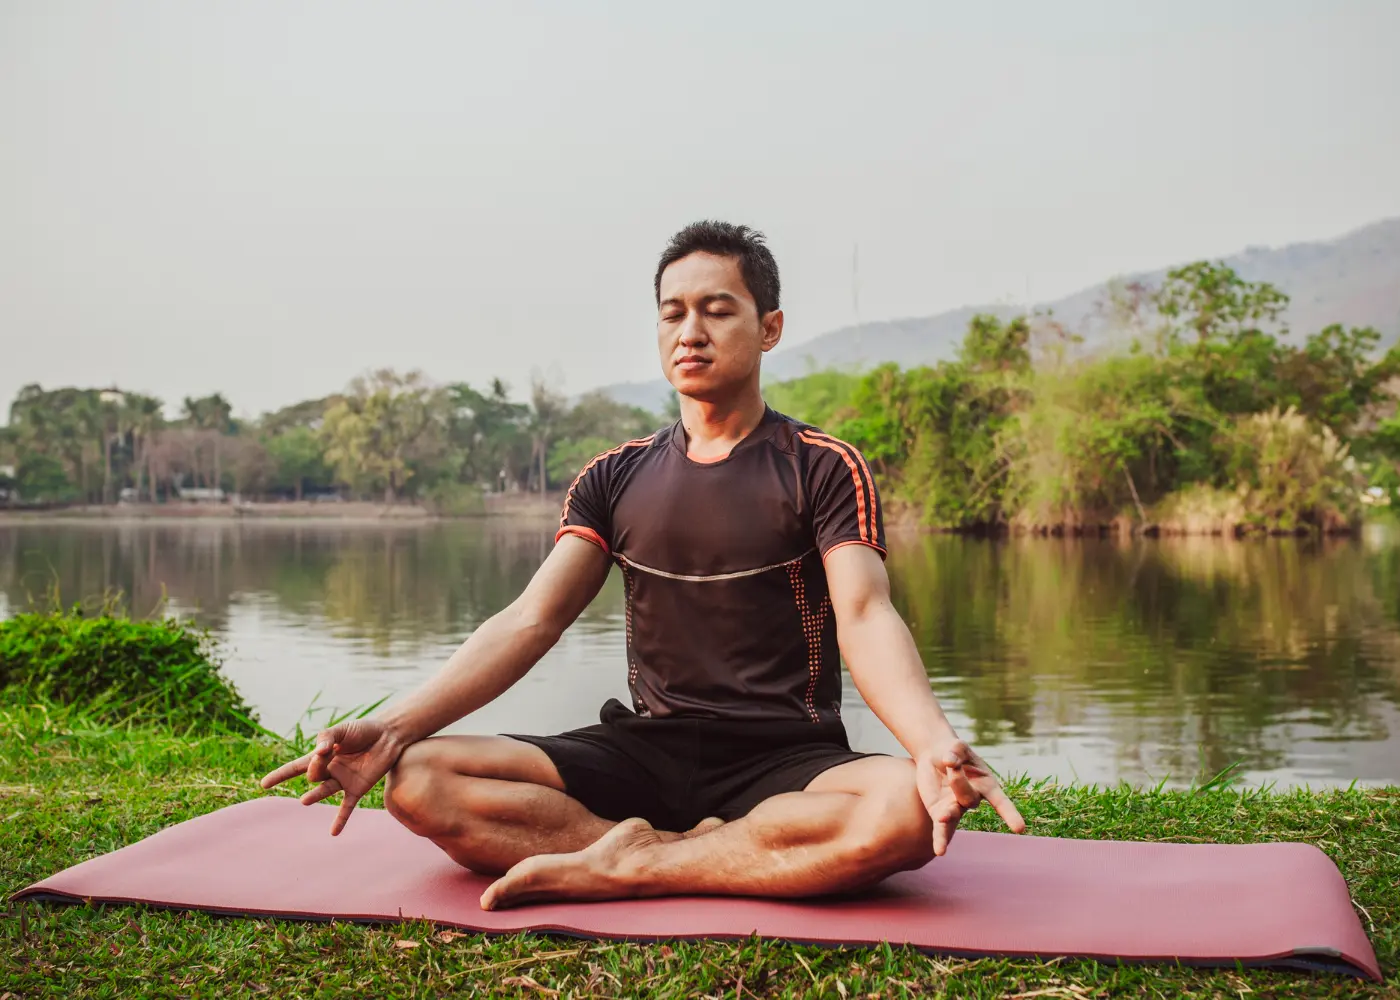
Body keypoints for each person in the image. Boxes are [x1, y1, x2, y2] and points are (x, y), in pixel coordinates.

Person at [260, 221, 1026, 910]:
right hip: (644, 750)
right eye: (672, 312)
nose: (690, 330)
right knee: (423, 781)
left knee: (900, 809)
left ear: (770, 328)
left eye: (717, 309)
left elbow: (863, 613)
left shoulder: (822, 467)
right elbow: (533, 619)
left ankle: (631, 866)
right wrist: (393, 728)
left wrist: (930, 745)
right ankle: (675, 852)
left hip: (784, 755)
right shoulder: (613, 477)